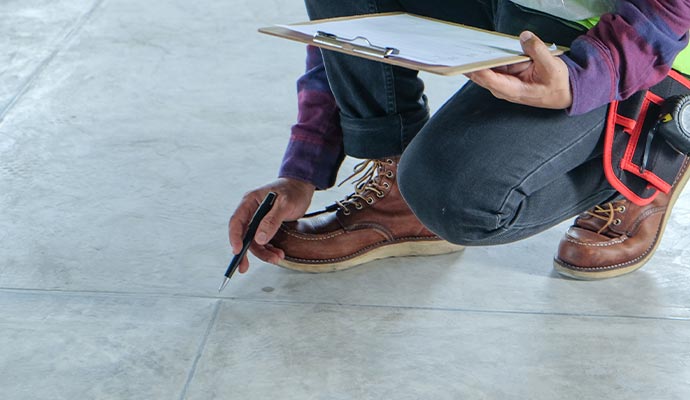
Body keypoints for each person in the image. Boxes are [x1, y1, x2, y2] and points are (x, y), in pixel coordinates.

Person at [229, 0, 690, 280]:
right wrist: (302, 169)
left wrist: (588, 77)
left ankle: (655, 139)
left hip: (657, 39)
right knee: (430, 188)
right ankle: (397, 192)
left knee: (462, 194)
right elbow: (347, 24)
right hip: (539, 17)